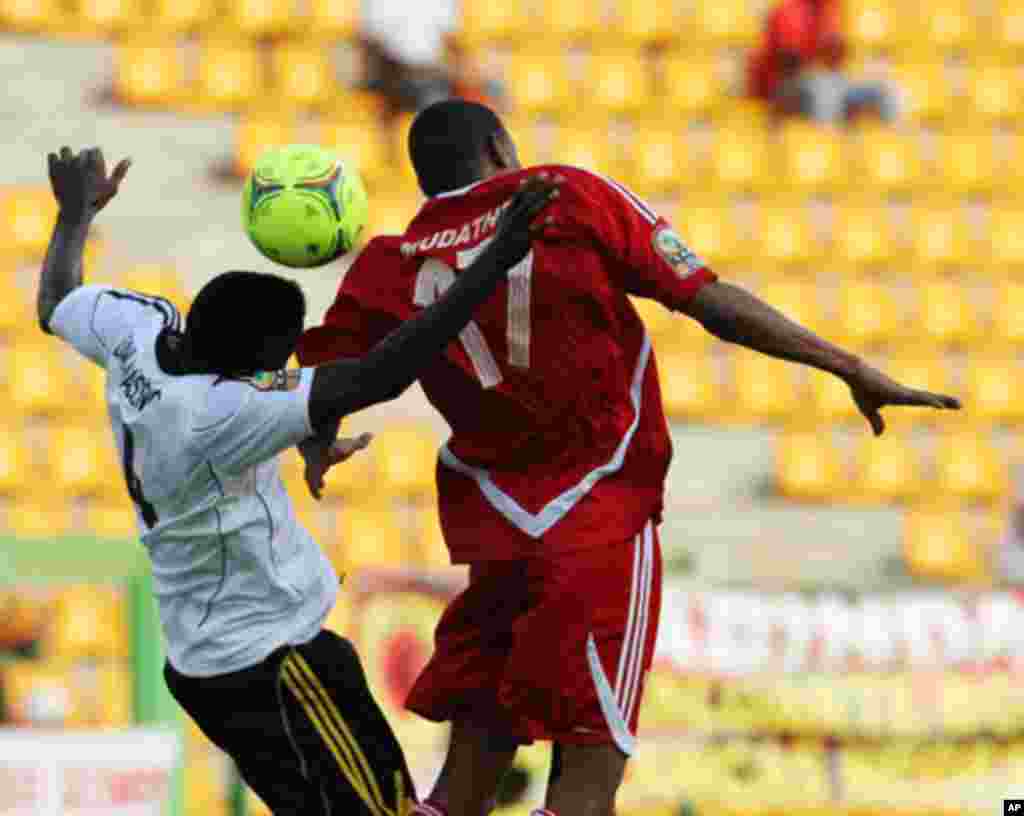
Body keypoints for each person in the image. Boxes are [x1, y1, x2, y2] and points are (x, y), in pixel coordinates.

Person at [296, 100, 960, 816]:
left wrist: (316, 440)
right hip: (597, 512)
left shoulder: (388, 265)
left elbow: (322, 382)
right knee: (587, 779)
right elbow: (708, 299)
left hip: (496, 535)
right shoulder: (560, 194)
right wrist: (846, 364)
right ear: (499, 147)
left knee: (457, 793)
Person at [37, 145, 557, 816]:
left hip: (205, 662)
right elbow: (380, 373)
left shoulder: (141, 330)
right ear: (251, 364)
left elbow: (55, 301)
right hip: (276, 665)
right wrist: (495, 259)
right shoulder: (217, 414)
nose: (288, 366)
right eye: (279, 359)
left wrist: (75, 215)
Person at [747, 0, 900, 124]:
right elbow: (788, 61)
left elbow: (836, 55)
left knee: (883, 90)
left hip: (824, 78)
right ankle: (827, 145)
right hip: (783, 86)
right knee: (824, 88)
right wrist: (822, 63)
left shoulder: (832, 7)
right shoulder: (789, 9)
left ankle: (894, 144)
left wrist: (837, 53)